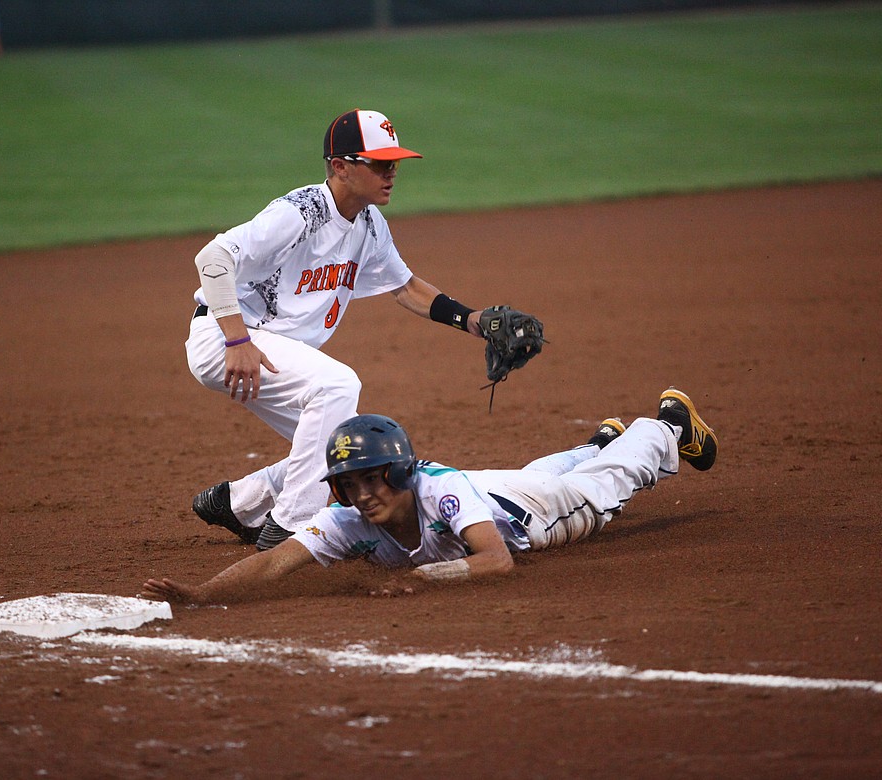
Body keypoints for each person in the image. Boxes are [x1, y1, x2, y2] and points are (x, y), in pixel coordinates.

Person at [186, 108, 539, 551]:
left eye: (394, 164)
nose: (392, 173)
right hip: (226, 337)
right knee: (337, 384)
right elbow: (211, 261)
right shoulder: (300, 213)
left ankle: (238, 503)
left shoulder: (369, 224)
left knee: (350, 447)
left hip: (268, 347)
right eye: (380, 163)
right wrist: (237, 339)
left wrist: (472, 321)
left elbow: (406, 287)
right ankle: (287, 528)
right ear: (340, 166)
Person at [141, 387, 717, 604]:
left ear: (398, 472)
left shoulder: (436, 490)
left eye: (373, 479)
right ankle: (599, 441)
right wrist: (199, 592)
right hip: (493, 488)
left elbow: (496, 560)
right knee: (540, 473)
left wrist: (420, 579)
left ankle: (668, 427)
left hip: (527, 517)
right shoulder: (348, 518)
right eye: (350, 484)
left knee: (601, 490)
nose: (363, 495)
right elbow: (274, 562)